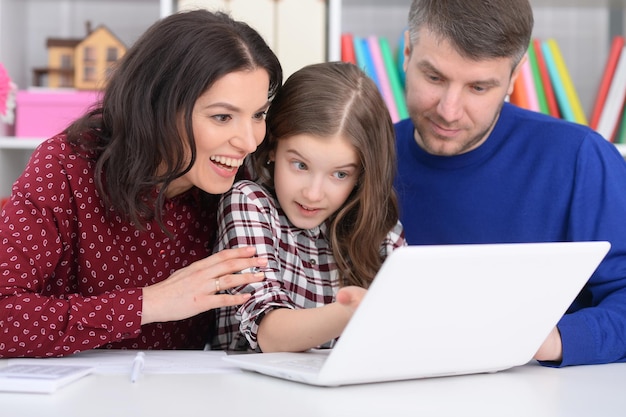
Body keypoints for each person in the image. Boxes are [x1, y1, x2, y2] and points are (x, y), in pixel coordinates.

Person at [0, 9, 283, 358]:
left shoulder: (241, 184)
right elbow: (4, 317)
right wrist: (150, 303)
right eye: (222, 117)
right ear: (157, 107)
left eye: (258, 115)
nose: (249, 141)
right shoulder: (65, 166)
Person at [394, 0, 626, 367]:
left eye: (479, 87)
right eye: (434, 78)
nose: (448, 110)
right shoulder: (360, 159)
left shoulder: (579, 157)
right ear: (407, 52)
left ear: (515, 75)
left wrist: (553, 340)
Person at [212, 61, 406, 352]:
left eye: (340, 174)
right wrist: (350, 313)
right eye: (300, 165)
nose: (313, 194)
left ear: (362, 174)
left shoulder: (380, 228)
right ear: (274, 148)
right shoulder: (249, 203)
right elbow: (270, 335)